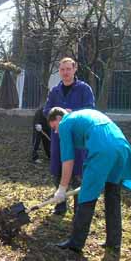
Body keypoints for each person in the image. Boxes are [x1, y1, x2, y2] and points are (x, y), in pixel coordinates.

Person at [48, 107, 131, 261]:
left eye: (54, 127)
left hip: (103, 149)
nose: (56, 132)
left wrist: (62, 188)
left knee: (87, 196)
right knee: (112, 194)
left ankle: (75, 243)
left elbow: (67, 160)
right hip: (121, 145)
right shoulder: (80, 116)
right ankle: (113, 243)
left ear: (59, 118)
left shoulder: (65, 123)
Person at [43, 57, 95, 215]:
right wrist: (55, 116)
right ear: (59, 71)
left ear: (75, 69)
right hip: (58, 138)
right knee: (58, 170)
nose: (65, 73)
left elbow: (91, 111)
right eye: (62, 69)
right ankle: (60, 206)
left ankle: (79, 209)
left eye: (68, 69)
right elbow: (46, 111)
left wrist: (72, 113)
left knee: (78, 173)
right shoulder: (54, 91)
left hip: (78, 139)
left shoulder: (84, 89)